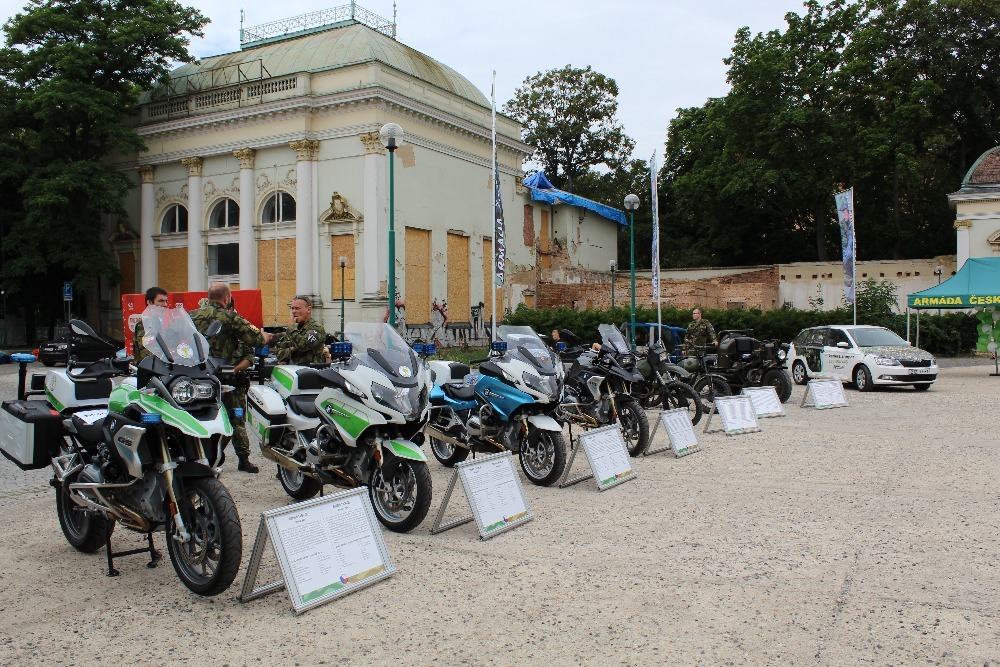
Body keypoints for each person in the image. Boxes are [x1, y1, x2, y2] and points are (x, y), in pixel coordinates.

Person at [189, 282, 273, 473]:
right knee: (236, 417)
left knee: (199, 416)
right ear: (227, 297)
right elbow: (257, 340)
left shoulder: (192, 316)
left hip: (198, 376)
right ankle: (242, 458)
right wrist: (264, 336)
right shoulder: (230, 317)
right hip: (225, 374)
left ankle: (198, 457)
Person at [272, 295, 328, 365]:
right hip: (293, 369)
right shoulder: (294, 329)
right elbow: (279, 353)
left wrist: (292, 328)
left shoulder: (316, 327)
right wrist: (292, 349)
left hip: (312, 369)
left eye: (297, 308)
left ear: (308, 309)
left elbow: (303, 346)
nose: (293, 311)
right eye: (292, 308)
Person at [133, 287, 169, 363]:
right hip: (153, 367)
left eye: (166, 301)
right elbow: (147, 353)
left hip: (171, 366)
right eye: (161, 301)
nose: (165, 304)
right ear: (149, 302)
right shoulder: (145, 324)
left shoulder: (168, 321)